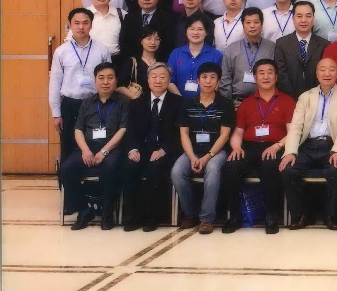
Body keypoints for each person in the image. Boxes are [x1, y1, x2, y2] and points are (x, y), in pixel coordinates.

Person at [221, 59, 295, 234]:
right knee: (231, 167)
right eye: (261, 73)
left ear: (276, 76)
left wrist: (277, 146)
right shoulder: (246, 103)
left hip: (275, 147)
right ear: (255, 77)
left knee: (270, 166)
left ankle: (271, 216)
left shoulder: (287, 101)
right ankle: (235, 216)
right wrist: (236, 148)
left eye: (270, 72)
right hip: (250, 147)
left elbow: (293, 132)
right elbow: (238, 132)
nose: (266, 76)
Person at [280, 58, 337, 230]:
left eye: (331, 69)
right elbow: (296, 127)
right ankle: (302, 215)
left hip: (331, 146)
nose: (327, 73)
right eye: (322, 69)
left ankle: (330, 216)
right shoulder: (305, 97)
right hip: (307, 146)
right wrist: (290, 152)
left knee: (335, 170)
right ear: (316, 73)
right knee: (288, 170)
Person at [60, 62, 129, 230]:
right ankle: (84, 211)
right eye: (101, 78)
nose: (105, 82)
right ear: (95, 80)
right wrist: (85, 151)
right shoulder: (87, 102)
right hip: (88, 147)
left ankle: (107, 213)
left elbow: (123, 129)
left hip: (112, 148)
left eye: (110, 78)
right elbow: (78, 130)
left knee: (110, 167)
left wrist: (104, 151)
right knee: (66, 169)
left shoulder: (123, 102)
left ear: (116, 80)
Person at [171, 62, 234, 234]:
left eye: (212, 77)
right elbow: (184, 134)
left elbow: (224, 135)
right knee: (177, 171)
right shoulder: (187, 103)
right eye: (204, 77)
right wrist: (192, 156)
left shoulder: (225, 104)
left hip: (216, 151)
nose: (208, 81)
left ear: (218, 82)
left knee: (212, 170)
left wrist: (208, 156)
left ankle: (207, 218)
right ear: (198, 80)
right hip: (192, 150)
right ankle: (190, 214)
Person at [121, 63, 181, 231]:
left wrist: (163, 151)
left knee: (154, 169)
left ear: (169, 80)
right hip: (141, 149)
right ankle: (132, 217)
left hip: (165, 150)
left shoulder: (178, 103)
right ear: (147, 80)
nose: (158, 80)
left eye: (162, 77)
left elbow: (178, 134)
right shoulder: (136, 103)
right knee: (129, 167)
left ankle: (151, 217)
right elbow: (130, 130)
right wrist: (133, 149)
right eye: (154, 77)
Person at [274, 2, 331, 99]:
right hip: (289, 98)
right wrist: (292, 98)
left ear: (313, 18)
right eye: (299, 16)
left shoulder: (324, 44)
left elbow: (325, 73)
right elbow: (281, 74)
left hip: (317, 98)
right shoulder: (282, 44)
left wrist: (314, 97)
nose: (304, 20)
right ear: (293, 18)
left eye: (308, 16)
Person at [219, 8, 275, 104]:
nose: (252, 26)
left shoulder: (272, 48)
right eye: (248, 22)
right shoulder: (232, 49)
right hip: (237, 103)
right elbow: (225, 79)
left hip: (264, 102)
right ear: (243, 25)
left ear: (261, 24)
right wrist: (228, 104)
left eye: (256, 22)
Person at [166, 15, 223, 98]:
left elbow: (218, 81)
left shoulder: (215, 55)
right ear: (186, 31)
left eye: (200, 29)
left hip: (205, 101)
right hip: (179, 101)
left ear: (206, 32)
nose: (195, 33)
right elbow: (169, 80)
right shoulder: (176, 53)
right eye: (192, 29)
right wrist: (180, 100)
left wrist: (203, 100)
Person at [118, 0, 173, 65]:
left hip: (158, 62)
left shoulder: (167, 19)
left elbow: (169, 43)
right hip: (134, 63)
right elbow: (123, 41)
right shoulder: (129, 17)